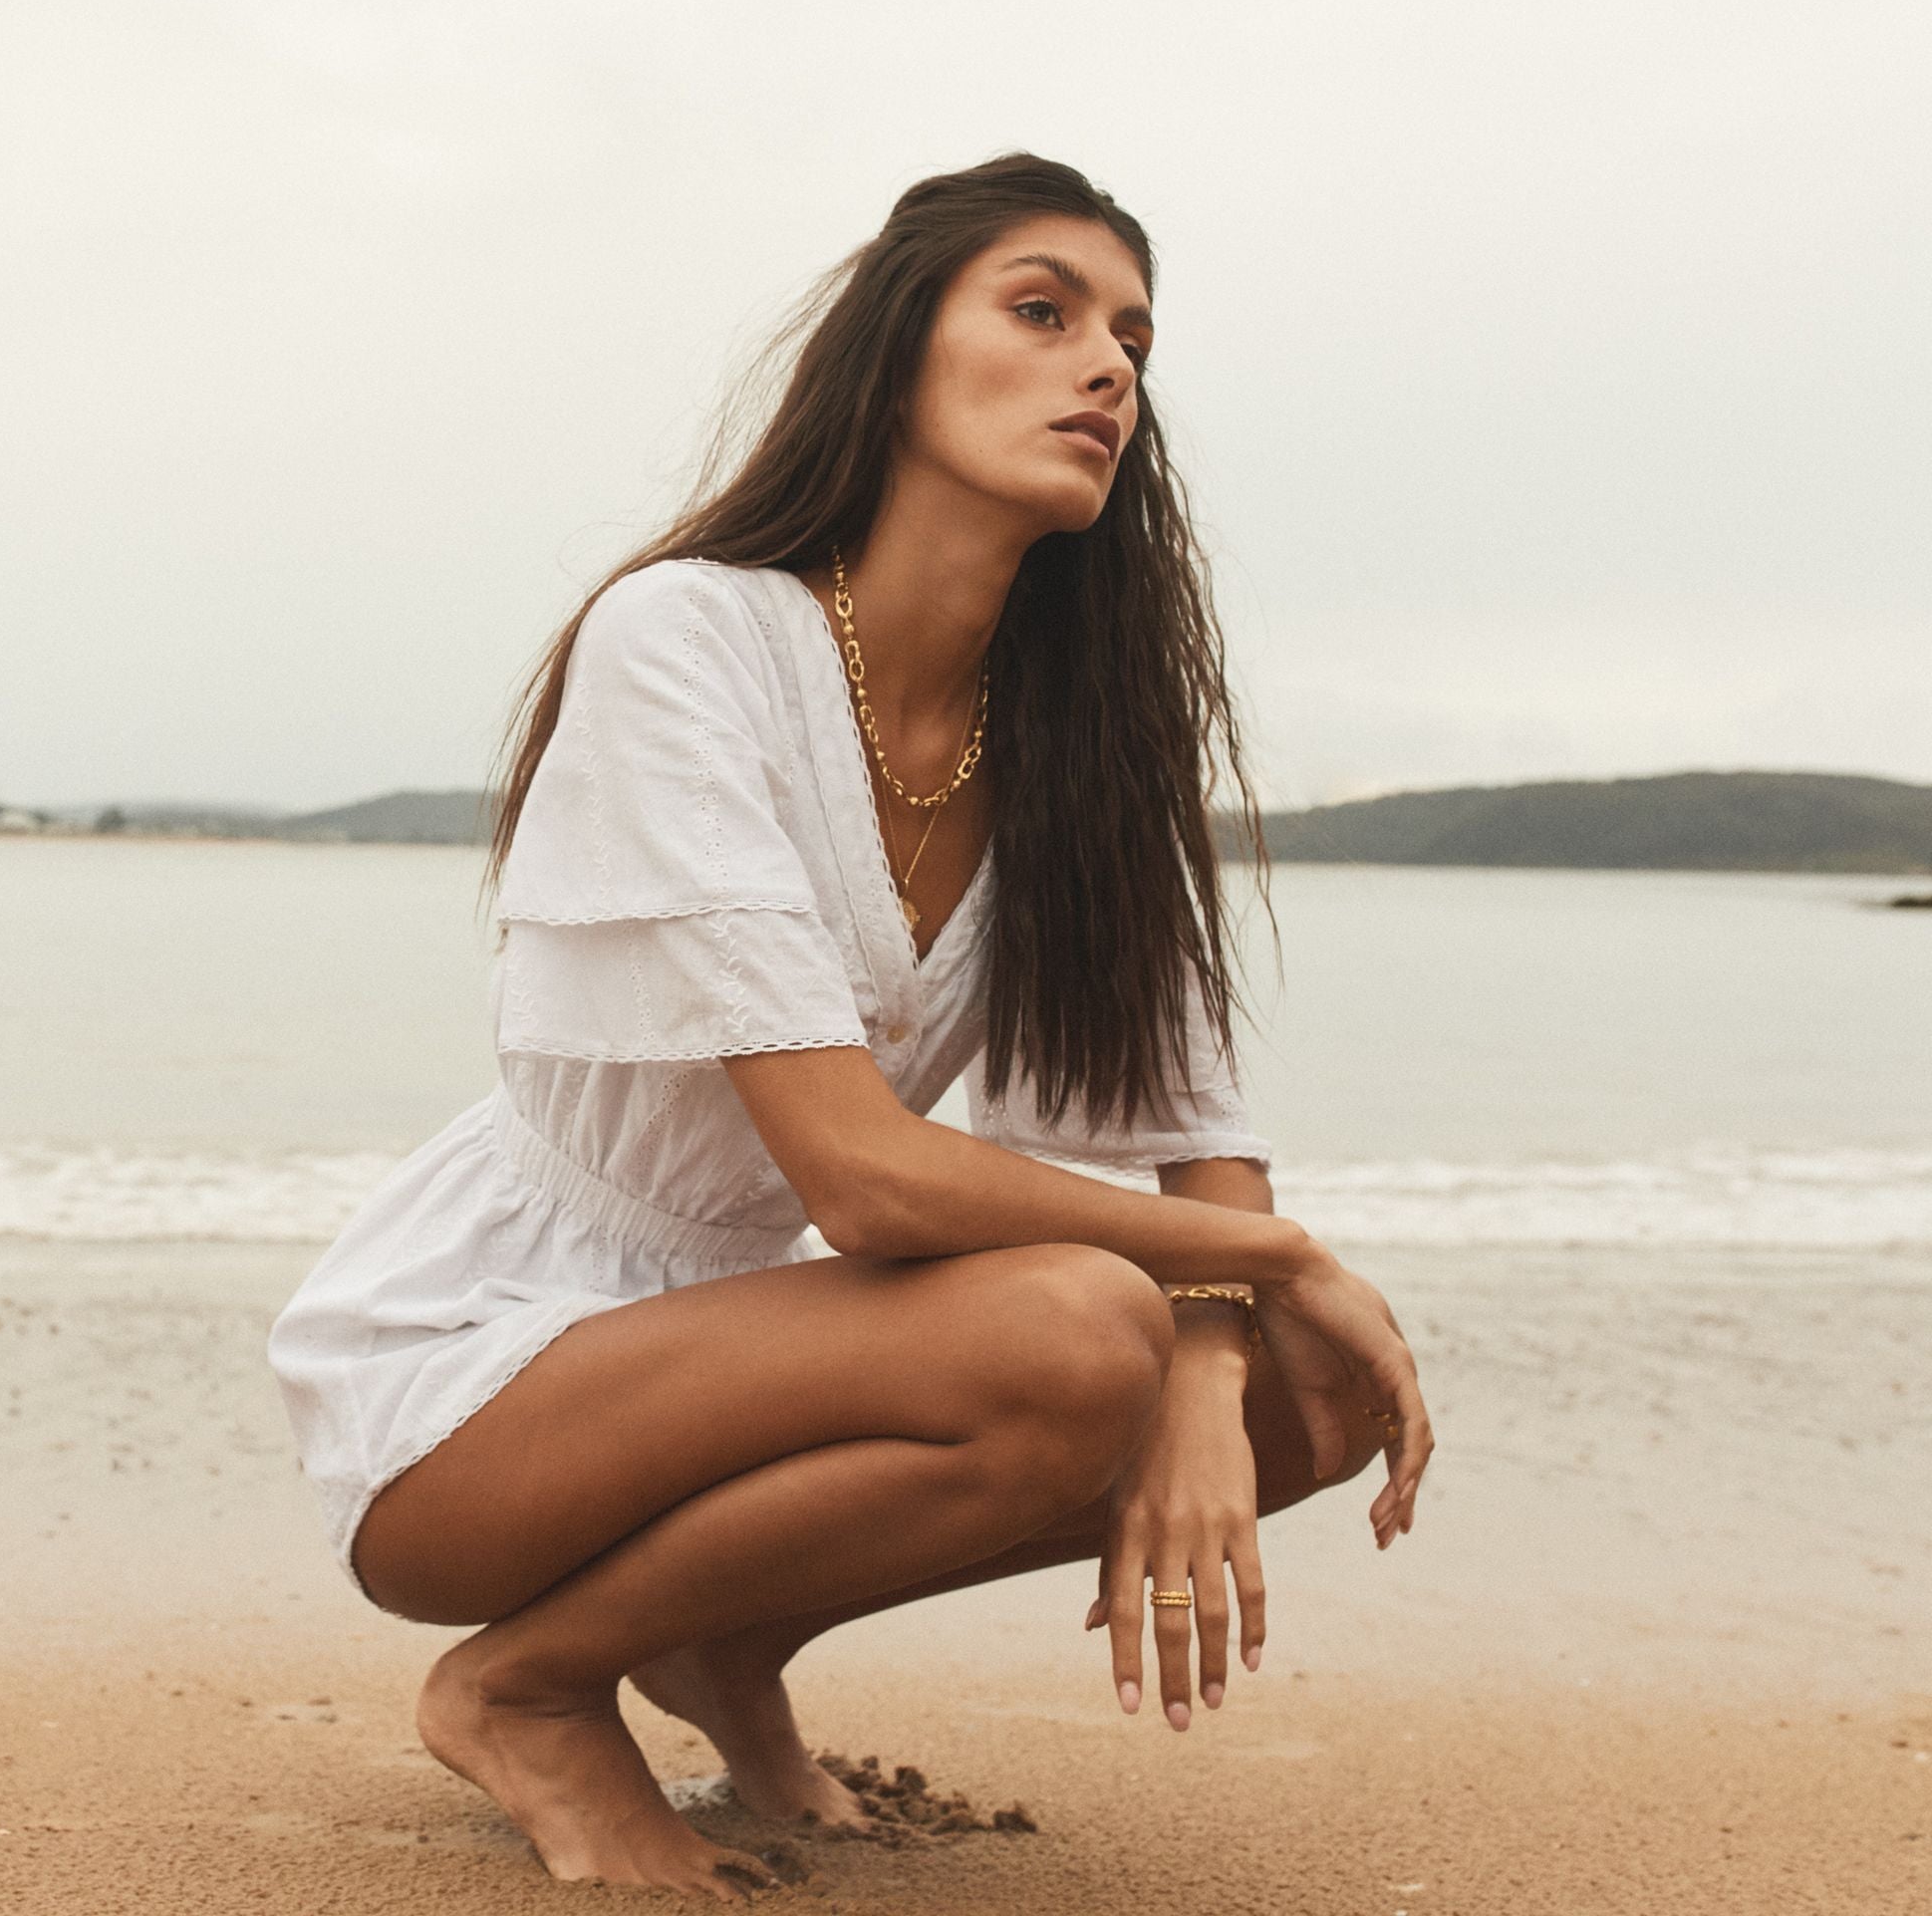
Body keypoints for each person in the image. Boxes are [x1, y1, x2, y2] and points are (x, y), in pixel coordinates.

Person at [265, 153, 1434, 1899]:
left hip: (751, 1345)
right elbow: (865, 1181)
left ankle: (723, 1645)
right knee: (1075, 1329)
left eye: (1130, 336)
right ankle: (525, 1684)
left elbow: (1200, 1122)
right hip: (486, 1373)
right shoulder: (690, 640)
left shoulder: (1082, 750)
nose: (1107, 367)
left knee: (1314, 1390)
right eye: (1041, 314)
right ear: (895, 363)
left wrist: (1222, 1339)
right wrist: (1257, 1259)